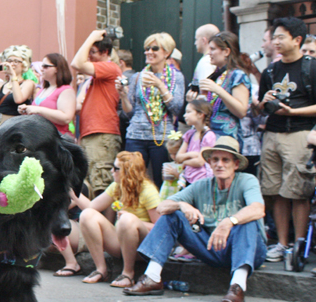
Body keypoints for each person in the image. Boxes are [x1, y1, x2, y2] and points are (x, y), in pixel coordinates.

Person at [124, 136, 267, 302]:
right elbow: (161, 207)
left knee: (247, 220)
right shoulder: (202, 185)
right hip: (212, 247)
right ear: (209, 163)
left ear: (236, 164)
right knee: (173, 215)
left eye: (225, 160)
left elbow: (258, 209)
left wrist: (229, 222)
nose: (220, 164)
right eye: (215, 159)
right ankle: (152, 277)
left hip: (249, 250)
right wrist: (182, 205)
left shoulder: (247, 180)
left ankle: (237, 286)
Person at [258, 17, 316, 263]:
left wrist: (294, 112)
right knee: (276, 192)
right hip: (272, 134)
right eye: (274, 37)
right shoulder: (270, 71)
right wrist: (264, 101)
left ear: (297, 40)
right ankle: (282, 244)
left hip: (299, 134)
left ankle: (298, 245)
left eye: (281, 37)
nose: (276, 42)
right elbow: (260, 106)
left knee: (298, 192)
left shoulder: (311, 67)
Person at [76, 151, 160, 287]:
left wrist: (134, 220)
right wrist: (72, 191)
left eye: (116, 168)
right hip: (121, 241)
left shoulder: (148, 190)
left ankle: (128, 274)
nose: (111, 171)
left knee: (127, 219)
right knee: (87, 214)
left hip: (144, 247)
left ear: (128, 171)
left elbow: (161, 229)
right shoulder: (117, 186)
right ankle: (100, 270)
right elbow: (91, 207)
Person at [120, 32, 185, 188]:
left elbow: (176, 109)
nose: (148, 52)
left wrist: (160, 85)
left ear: (166, 52)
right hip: (136, 135)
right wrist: (123, 96)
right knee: (132, 181)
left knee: (161, 181)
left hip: (162, 137)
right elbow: (129, 112)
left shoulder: (176, 77)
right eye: (147, 48)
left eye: (154, 48)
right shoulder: (137, 77)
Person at [71, 30, 123, 195]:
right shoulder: (98, 77)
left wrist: (91, 37)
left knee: (102, 184)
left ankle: (102, 221)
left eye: (92, 52)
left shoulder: (110, 68)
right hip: (92, 134)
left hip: (102, 133)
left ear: (105, 52)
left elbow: (77, 64)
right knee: (91, 183)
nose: (89, 57)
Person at [198, 32, 250, 147]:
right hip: (210, 137)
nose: (209, 53)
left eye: (212, 49)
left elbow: (241, 111)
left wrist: (218, 90)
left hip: (228, 139)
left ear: (226, 52)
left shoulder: (238, 75)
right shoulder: (218, 75)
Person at [0, 45, 36, 130]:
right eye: (9, 61)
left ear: (23, 65)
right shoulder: (1, 85)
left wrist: (13, 76)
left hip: (15, 127)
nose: (12, 64)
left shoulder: (28, 83)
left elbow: (18, 99)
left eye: (16, 61)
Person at [18, 53, 74, 137]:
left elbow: (66, 118)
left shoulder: (66, 90)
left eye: (46, 66)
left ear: (57, 69)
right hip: (40, 137)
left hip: (56, 138)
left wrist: (38, 109)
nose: (41, 69)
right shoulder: (42, 90)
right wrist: (27, 110)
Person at [177, 99, 216, 184]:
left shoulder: (208, 135)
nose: (184, 115)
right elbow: (178, 157)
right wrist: (193, 154)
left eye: (188, 112)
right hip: (187, 178)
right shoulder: (189, 134)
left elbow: (199, 162)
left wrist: (185, 162)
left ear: (200, 114)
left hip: (202, 179)